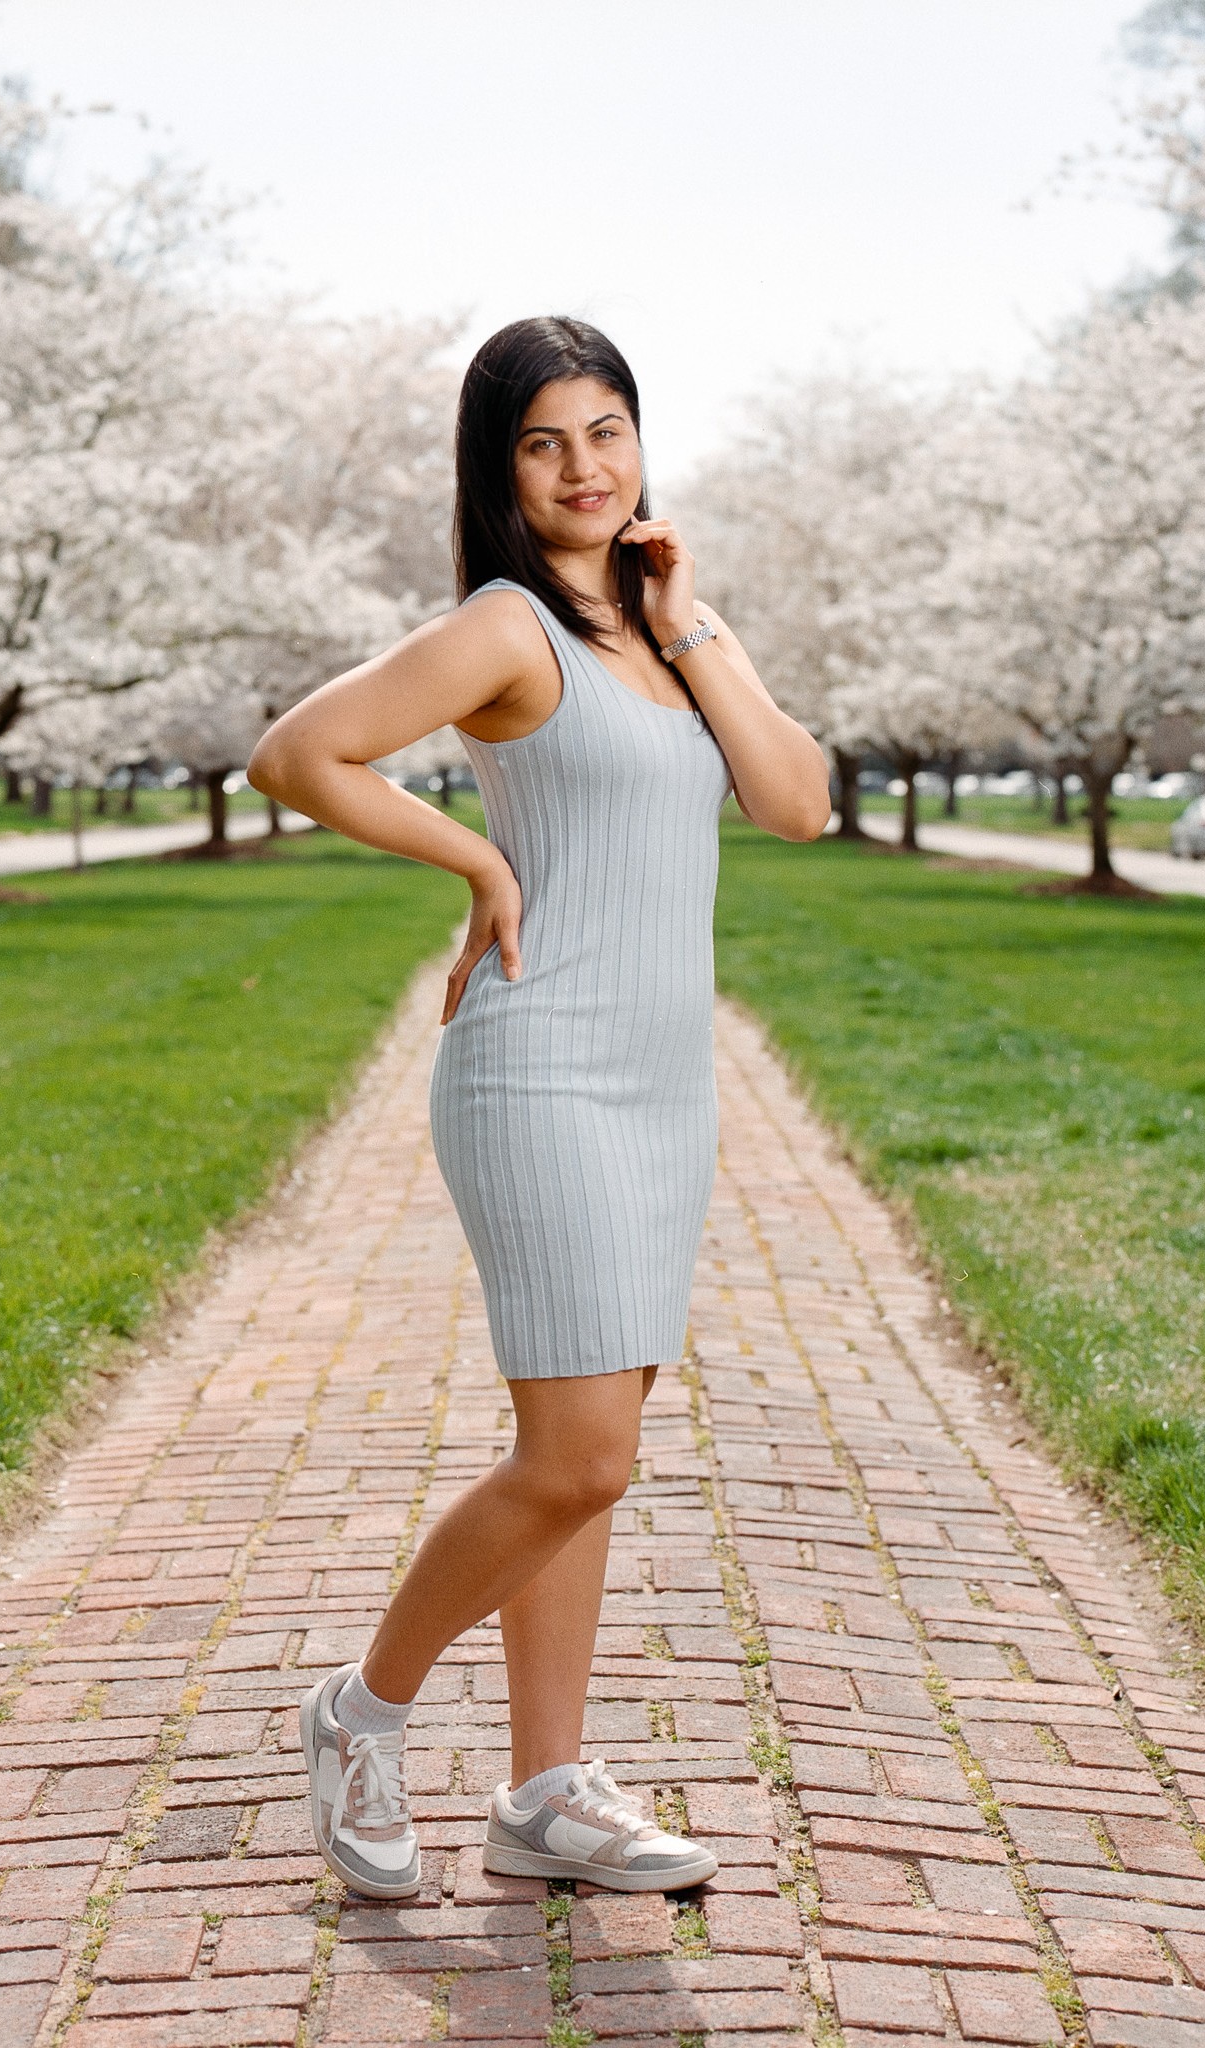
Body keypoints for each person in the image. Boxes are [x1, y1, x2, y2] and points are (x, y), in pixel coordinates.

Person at [247, 314, 831, 1900]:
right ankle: (355, 1717)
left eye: (607, 431)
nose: (583, 468)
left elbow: (796, 802)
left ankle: (544, 1792)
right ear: (499, 469)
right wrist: (478, 858)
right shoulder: (510, 629)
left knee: (590, 1449)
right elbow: (300, 754)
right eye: (542, 441)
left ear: (642, 444)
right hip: (541, 1065)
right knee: (578, 1459)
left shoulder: (668, 629)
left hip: (662, 1082)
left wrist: (691, 617)